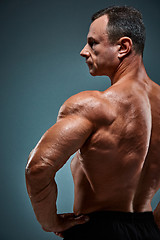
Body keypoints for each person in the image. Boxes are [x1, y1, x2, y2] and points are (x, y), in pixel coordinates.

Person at [25, 6, 160, 240]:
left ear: (123, 47)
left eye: (93, 43)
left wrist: (49, 221)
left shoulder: (94, 105)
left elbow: (38, 167)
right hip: (148, 230)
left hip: (97, 230)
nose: (83, 51)